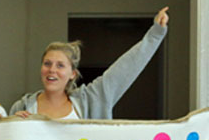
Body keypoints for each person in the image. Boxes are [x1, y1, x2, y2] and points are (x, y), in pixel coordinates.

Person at [10, 7, 169, 120]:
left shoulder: (92, 99)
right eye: (47, 64)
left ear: (72, 73)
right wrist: (12, 125)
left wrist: (155, 35)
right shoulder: (21, 107)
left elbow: (125, 68)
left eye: (60, 65)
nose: (52, 70)